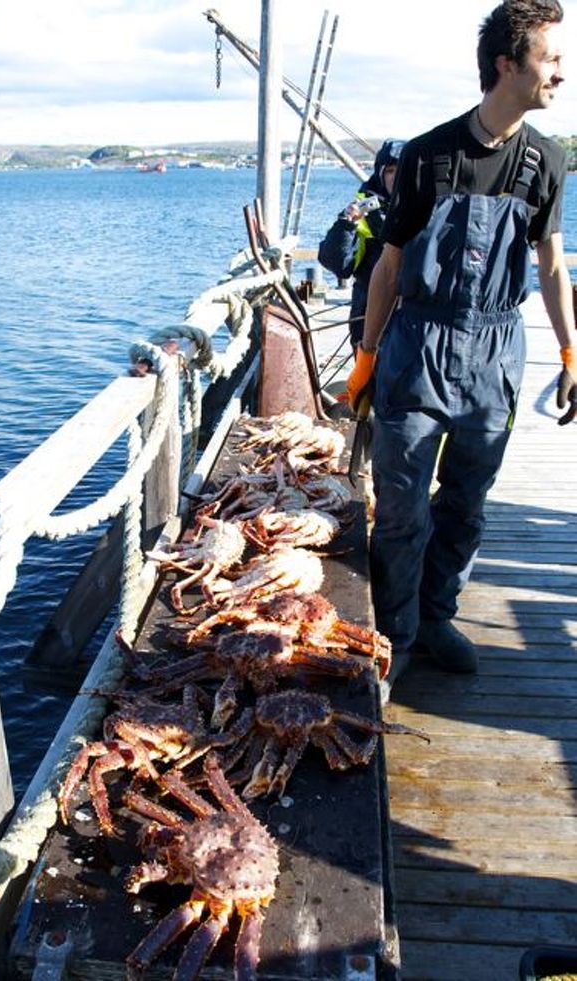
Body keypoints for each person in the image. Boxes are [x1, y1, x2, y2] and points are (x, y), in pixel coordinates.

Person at [346, 0, 576, 705]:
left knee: (467, 504)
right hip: (419, 348)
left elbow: (551, 263)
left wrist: (570, 353)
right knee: (404, 505)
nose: (562, 74)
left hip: (497, 354)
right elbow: (387, 267)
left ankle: (438, 617)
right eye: (552, 58)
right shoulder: (428, 155)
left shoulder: (547, 160)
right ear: (507, 65)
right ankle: (395, 636)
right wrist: (367, 355)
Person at [318, 139, 406, 351]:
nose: (396, 177)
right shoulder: (361, 211)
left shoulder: (430, 209)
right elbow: (340, 265)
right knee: (369, 382)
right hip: (369, 319)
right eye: (390, 171)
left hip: (413, 322)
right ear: (380, 173)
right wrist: (346, 224)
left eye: (402, 170)